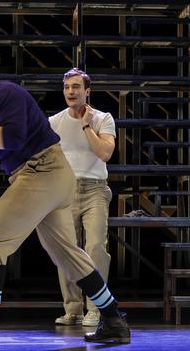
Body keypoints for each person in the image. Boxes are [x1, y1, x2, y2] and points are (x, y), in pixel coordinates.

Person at [0, 59, 129, 348]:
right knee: (68, 255)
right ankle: (115, 321)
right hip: (47, 175)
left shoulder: (5, 94)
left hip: (42, 171)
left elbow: (13, 139)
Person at [51, 68, 116, 327]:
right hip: (65, 191)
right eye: (67, 87)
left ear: (87, 91)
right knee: (66, 250)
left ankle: (96, 308)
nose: (71, 92)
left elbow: (104, 153)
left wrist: (86, 124)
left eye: (76, 87)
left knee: (95, 248)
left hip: (95, 190)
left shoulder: (103, 118)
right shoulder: (54, 121)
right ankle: (73, 309)